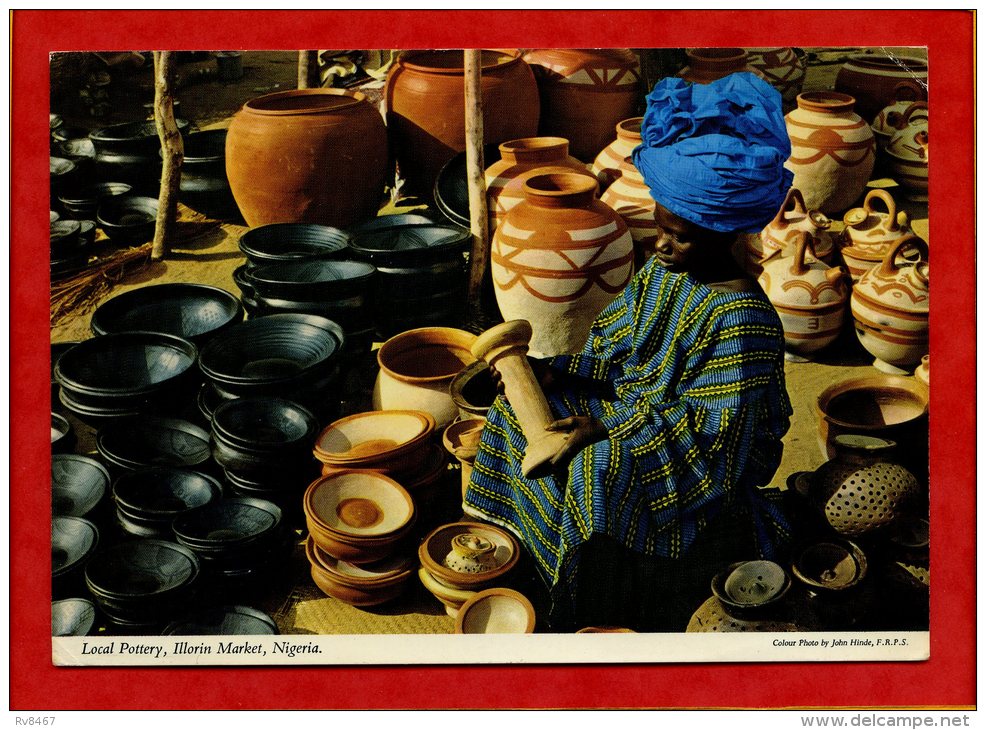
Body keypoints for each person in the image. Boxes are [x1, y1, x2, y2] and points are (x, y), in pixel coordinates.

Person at [463, 72, 796, 632]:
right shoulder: (668, 273)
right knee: (514, 414)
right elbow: (615, 357)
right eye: (661, 229)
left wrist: (601, 429)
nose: (662, 244)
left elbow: (715, 439)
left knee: (596, 466)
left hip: (693, 460)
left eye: (681, 235)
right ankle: (533, 560)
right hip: (629, 411)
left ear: (726, 231)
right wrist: (553, 372)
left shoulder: (744, 322)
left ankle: (598, 605)